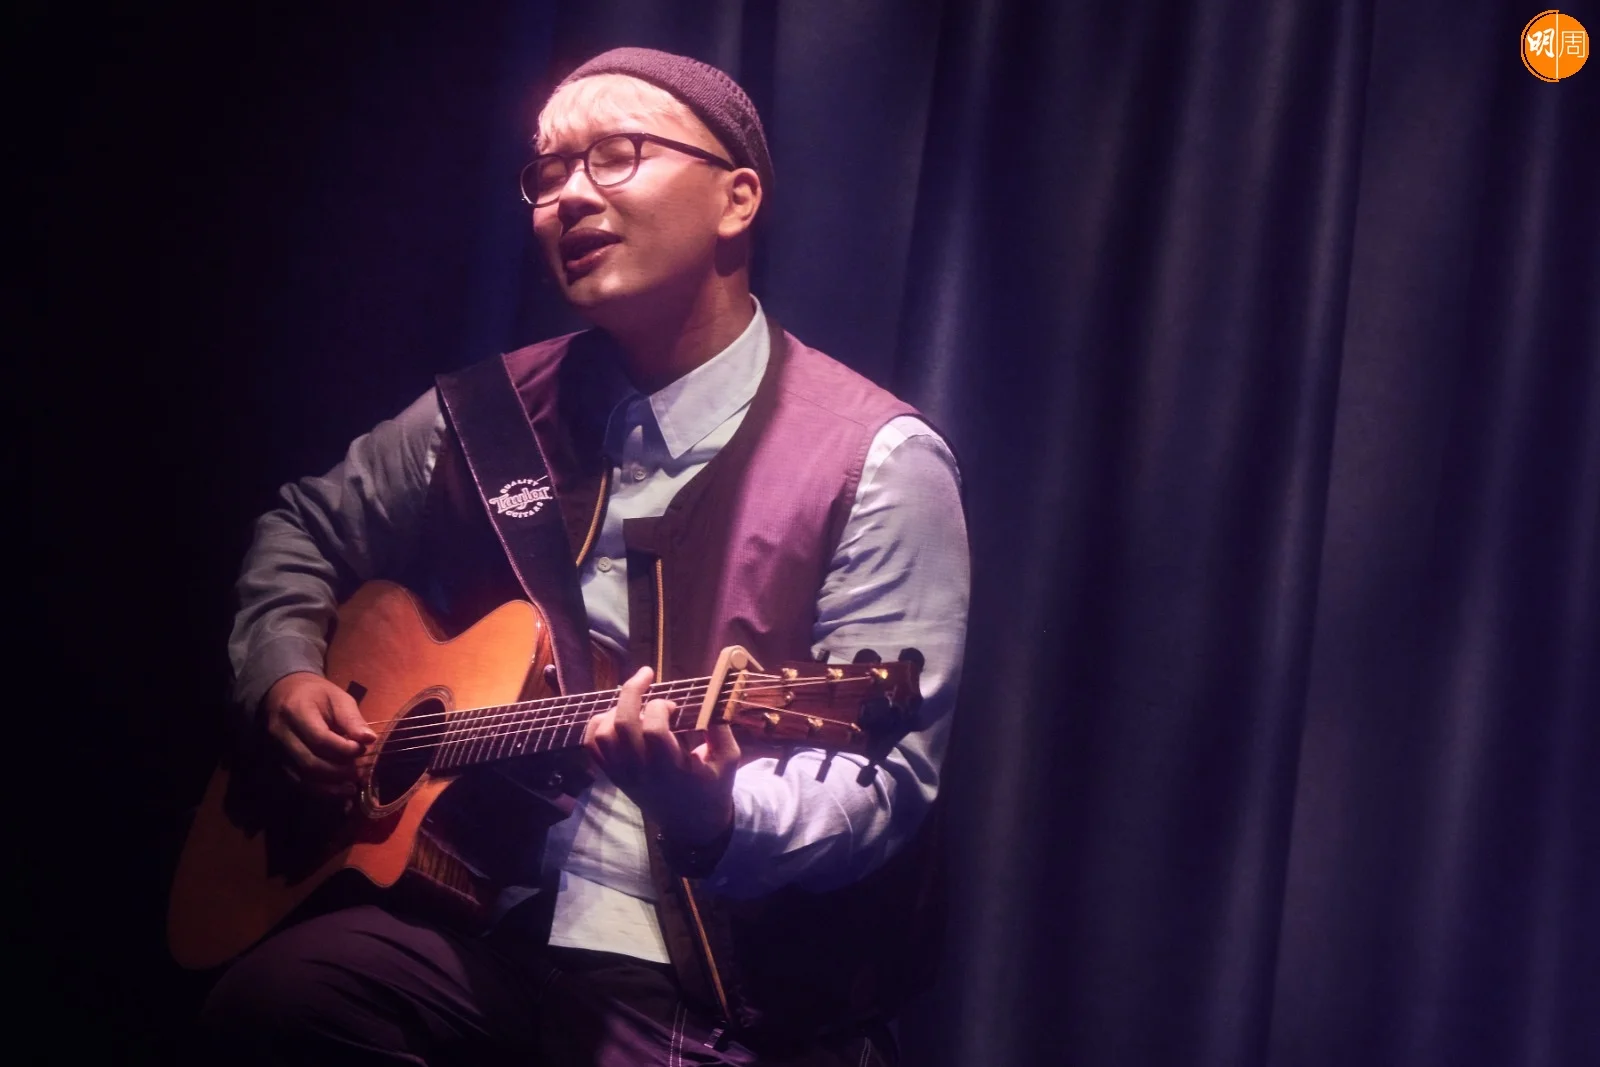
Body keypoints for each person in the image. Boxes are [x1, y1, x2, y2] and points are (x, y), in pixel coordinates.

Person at [199, 46, 969, 1066]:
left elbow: (881, 782)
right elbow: (304, 527)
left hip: (717, 990)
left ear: (737, 198)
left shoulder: (876, 459)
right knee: (274, 1000)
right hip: (493, 920)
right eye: (548, 170)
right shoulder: (488, 414)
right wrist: (284, 673)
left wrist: (715, 814)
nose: (567, 195)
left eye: (616, 155)